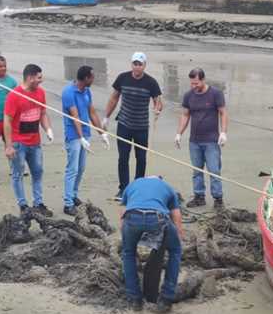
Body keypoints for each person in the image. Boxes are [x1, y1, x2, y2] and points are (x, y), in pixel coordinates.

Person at [119, 176, 184, 313]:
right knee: (176, 250)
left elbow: (122, 214)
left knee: (128, 252)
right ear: (160, 179)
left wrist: (126, 238)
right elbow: (176, 216)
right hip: (157, 217)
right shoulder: (167, 187)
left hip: (132, 216)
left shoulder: (132, 185)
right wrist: (178, 236)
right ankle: (166, 297)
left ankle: (134, 298)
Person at [103, 52, 162, 200]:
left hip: (141, 126)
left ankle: (138, 188)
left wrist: (158, 109)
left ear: (144, 66)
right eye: (134, 64)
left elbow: (158, 101)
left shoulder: (151, 82)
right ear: (131, 64)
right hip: (124, 124)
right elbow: (114, 98)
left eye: (140, 64)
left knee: (141, 158)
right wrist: (106, 117)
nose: (137, 67)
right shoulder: (123, 78)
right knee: (123, 158)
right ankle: (123, 189)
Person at [4, 64, 54, 218]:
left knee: (38, 172)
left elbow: (43, 113)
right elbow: (7, 121)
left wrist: (48, 130)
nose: (41, 80)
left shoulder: (41, 93)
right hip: (19, 142)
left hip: (35, 142)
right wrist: (9, 145)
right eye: (39, 77)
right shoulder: (14, 95)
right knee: (17, 174)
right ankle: (23, 205)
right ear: (30, 77)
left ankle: (38, 204)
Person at [175, 68, 228, 209]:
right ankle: (199, 196)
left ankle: (218, 199)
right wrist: (179, 133)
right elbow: (185, 115)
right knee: (197, 170)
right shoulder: (188, 96)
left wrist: (223, 132)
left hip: (211, 141)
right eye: (192, 83)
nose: (194, 86)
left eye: (196, 83)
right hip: (194, 141)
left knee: (214, 170)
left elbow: (223, 113)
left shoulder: (216, 94)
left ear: (203, 80)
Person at [61, 65, 110, 216]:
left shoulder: (87, 91)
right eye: (92, 77)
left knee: (81, 168)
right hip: (73, 135)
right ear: (86, 78)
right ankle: (68, 203)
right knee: (72, 169)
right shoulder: (69, 92)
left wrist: (101, 133)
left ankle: (74, 195)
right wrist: (81, 137)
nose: (93, 79)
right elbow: (75, 116)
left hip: (85, 133)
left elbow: (92, 112)